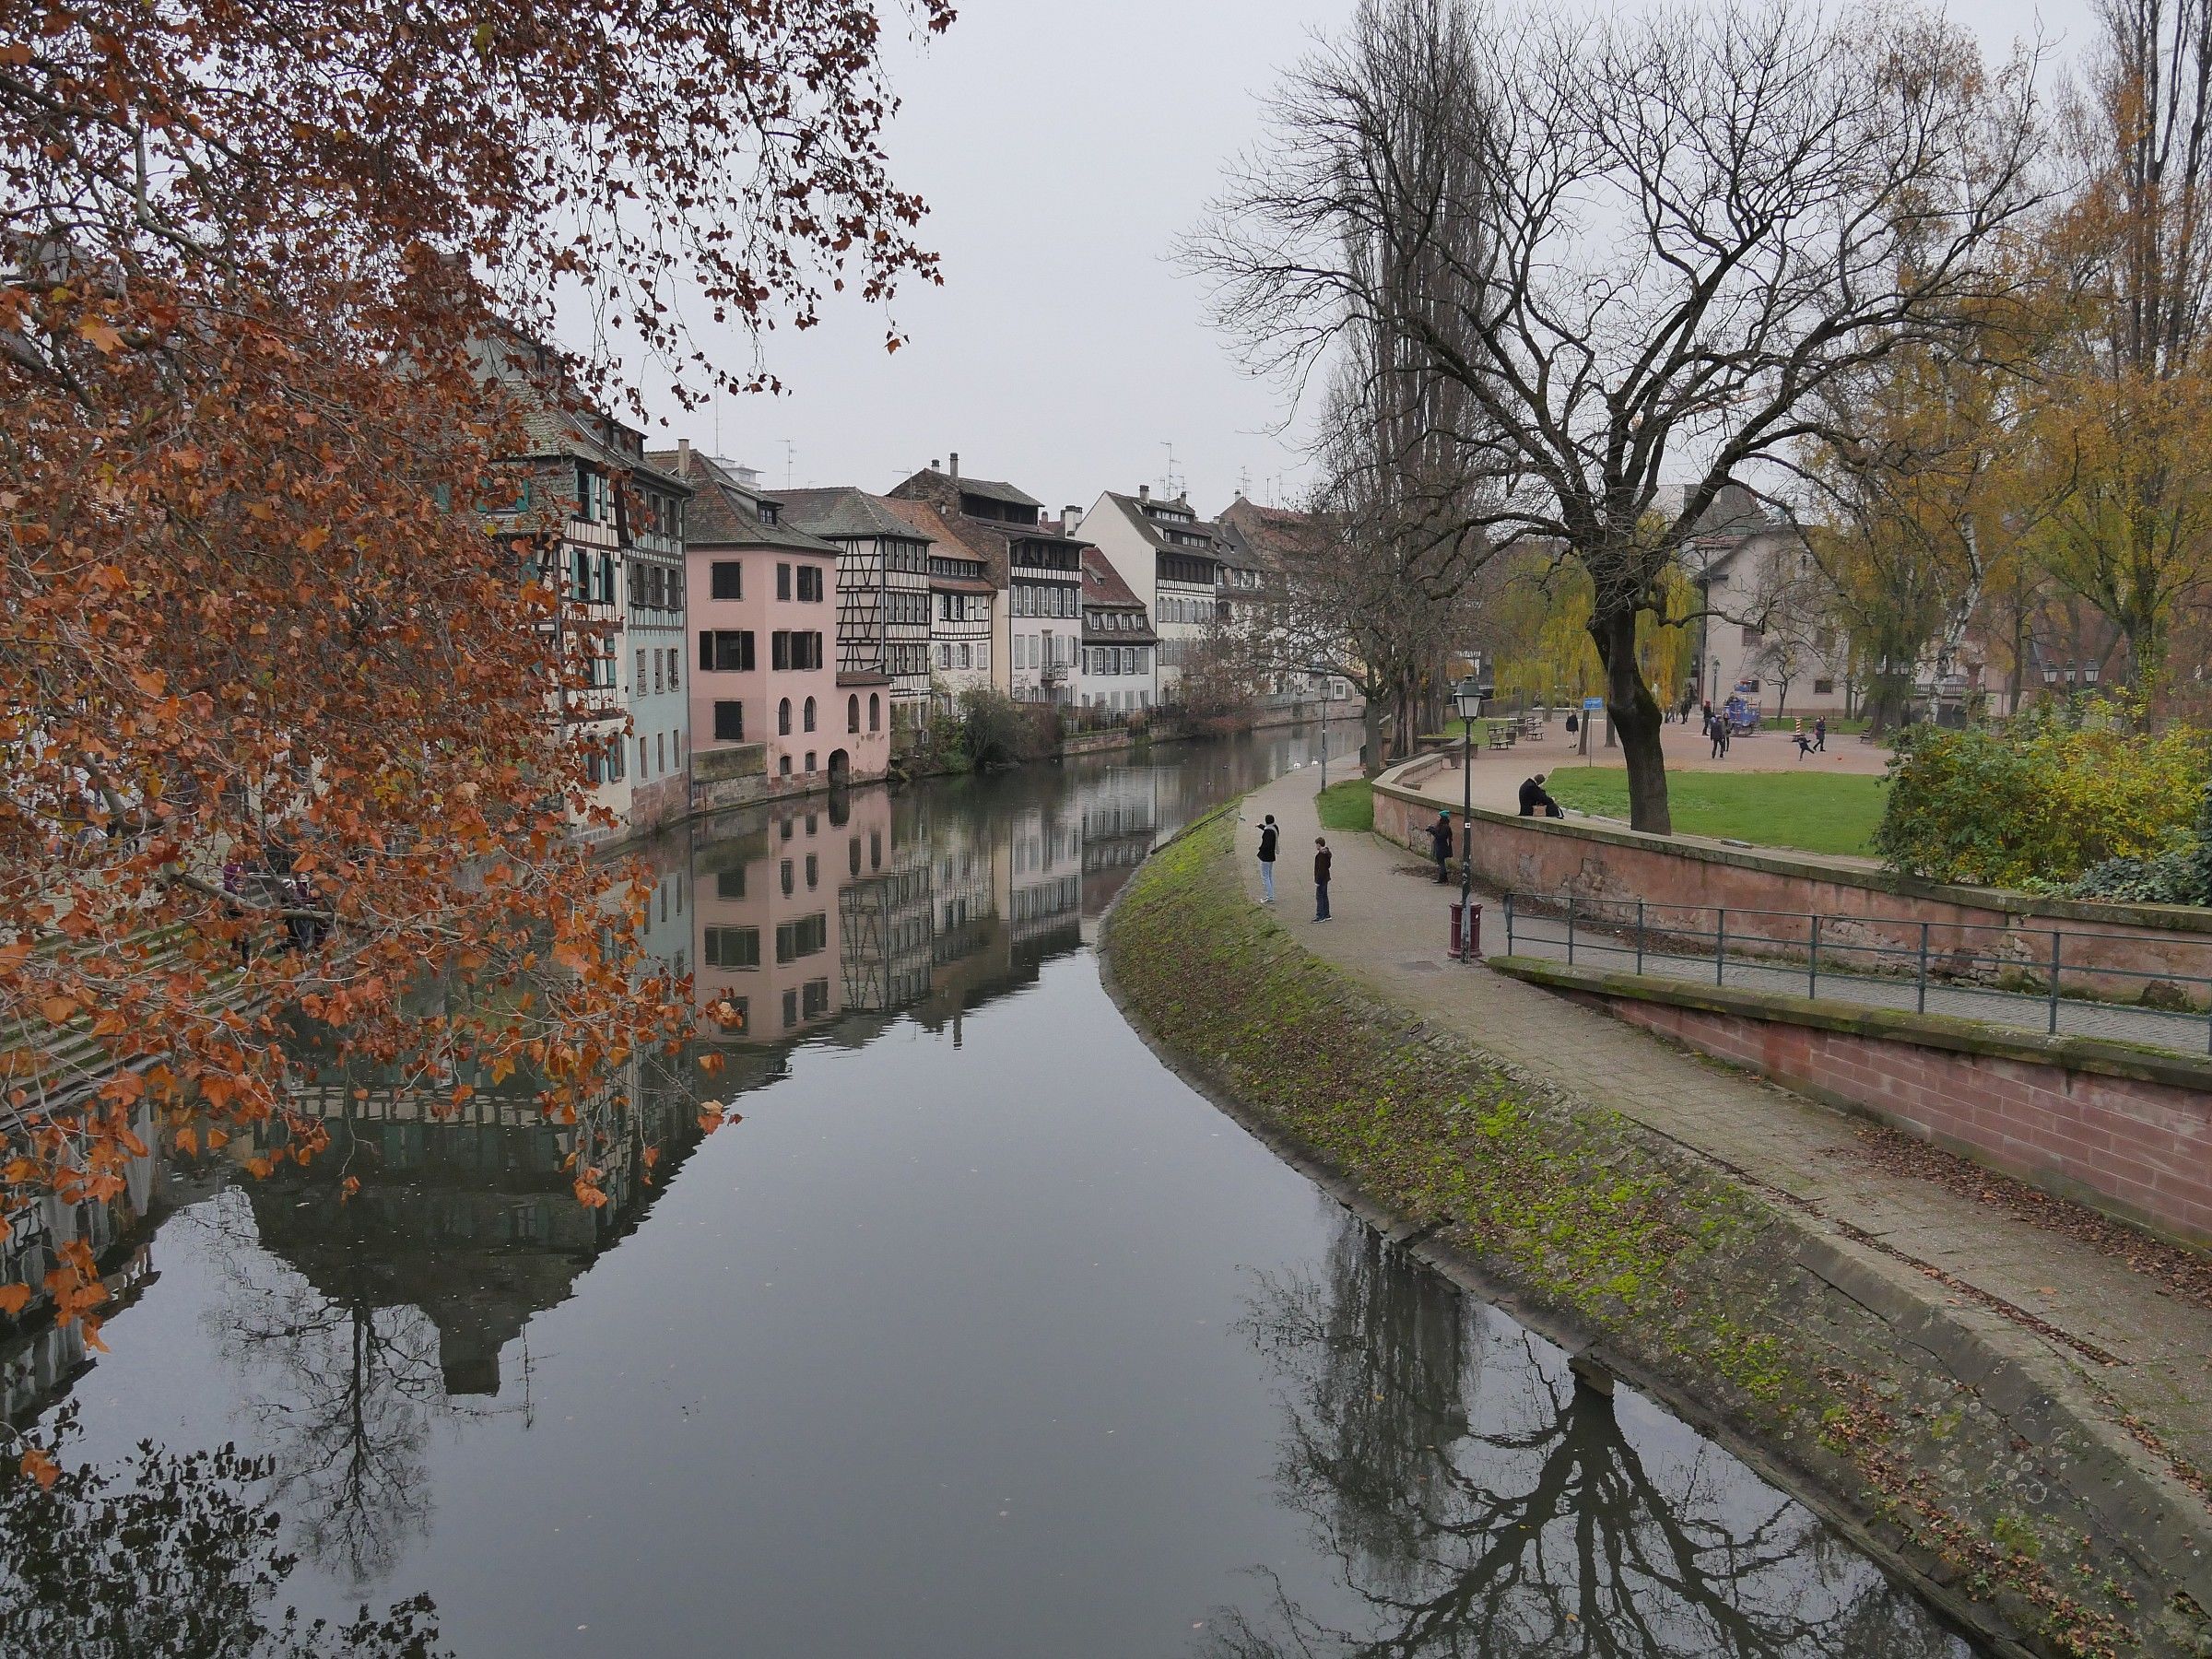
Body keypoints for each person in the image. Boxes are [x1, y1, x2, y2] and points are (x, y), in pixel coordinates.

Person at [1257, 812, 1278, 902]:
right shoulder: (1274, 828)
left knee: (1265, 877)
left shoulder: (1268, 832)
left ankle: (1270, 897)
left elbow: (1266, 844)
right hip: (1271, 856)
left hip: (1265, 857)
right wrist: (1260, 826)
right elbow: (1266, 828)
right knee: (1269, 876)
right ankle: (1270, 895)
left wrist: (1260, 848)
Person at [1427, 811, 1453, 883]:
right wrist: (1431, 829)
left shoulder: (1445, 827)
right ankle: (1443, 878)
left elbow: (1440, 836)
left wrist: (1432, 831)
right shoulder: (1442, 826)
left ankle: (1443, 878)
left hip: (1442, 846)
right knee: (1441, 862)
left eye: (1439, 817)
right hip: (1440, 845)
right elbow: (1437, 832)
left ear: (1442, 818)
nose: (1437, 818)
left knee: (1441, 863)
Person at [1313, 836, 1333, 922]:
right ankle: (1326, 914)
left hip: (1321, 879)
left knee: (1319, 896)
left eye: (1316, 844)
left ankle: (1320, 915)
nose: (1316, 846)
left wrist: (1317, 881)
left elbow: (1320, 869)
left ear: (1319, 844)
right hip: (1326, 877)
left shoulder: (1321, 856)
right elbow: (1328, 865)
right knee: (1324, 896)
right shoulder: (1326, 854)